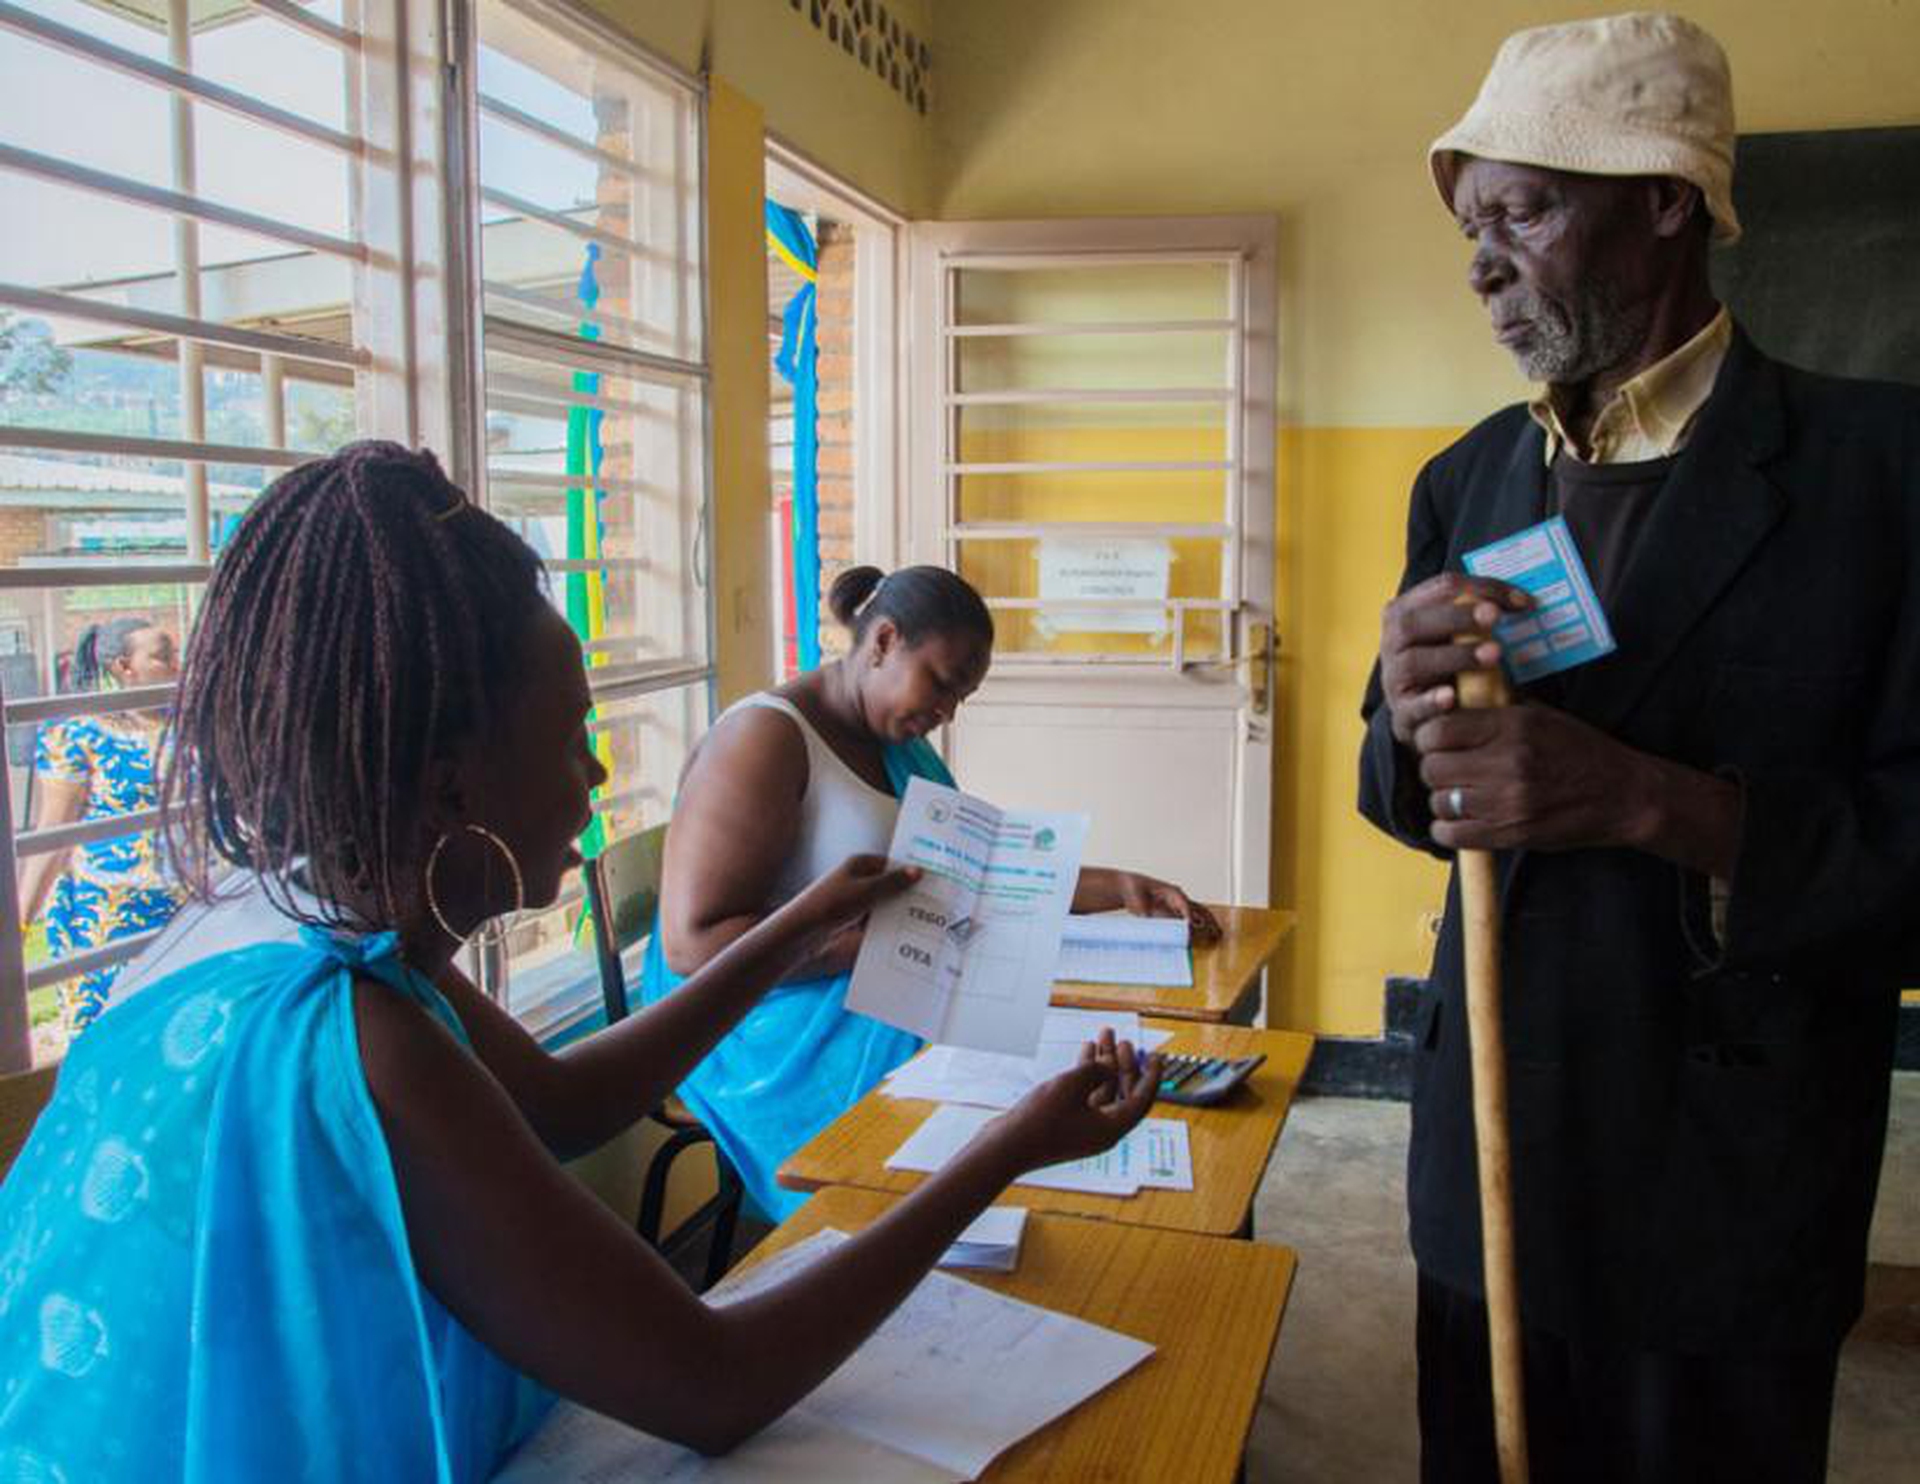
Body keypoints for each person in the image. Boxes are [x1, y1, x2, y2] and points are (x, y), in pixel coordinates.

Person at [0, 443, 1163, 1482]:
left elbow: (568, 1101)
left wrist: (788, 933)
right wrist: (1009, 1144)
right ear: (454, 777)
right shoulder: (356, 1033)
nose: (600, 777)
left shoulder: (308, 918)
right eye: (570, 736)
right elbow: (712, 1385)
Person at [1359, 14, 1920, 1479]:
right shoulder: (1469, 474)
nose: (1481, 262)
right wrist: (1410, 720)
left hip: (1724, 1176)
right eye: (1472, 224)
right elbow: (1403, 789)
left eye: (1525, 212)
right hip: (1485, 1152)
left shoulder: (1881, 471)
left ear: (1670, 200)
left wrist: (1665, 806)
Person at [646, 563, 1220, 1219]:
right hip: (760, 1025)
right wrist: (877, 945)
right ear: (884, 642)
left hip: (873, 982)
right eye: (940, 684)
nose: (944, 713)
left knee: (1041, 1059)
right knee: (994, 1102)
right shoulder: (763, 740)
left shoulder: (890, 741)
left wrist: (1119, 885)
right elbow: (693, 949)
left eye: (960, 699)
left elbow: (978, 872)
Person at [16, 616, 188, 1031]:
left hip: (183, 910)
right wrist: (20, 925)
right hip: (108, 918)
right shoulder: (78, 735)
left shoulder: (188, 725)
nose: (177, 665)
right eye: (164, 657)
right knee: (115, 1034)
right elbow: (53, 838)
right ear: (123, 668)